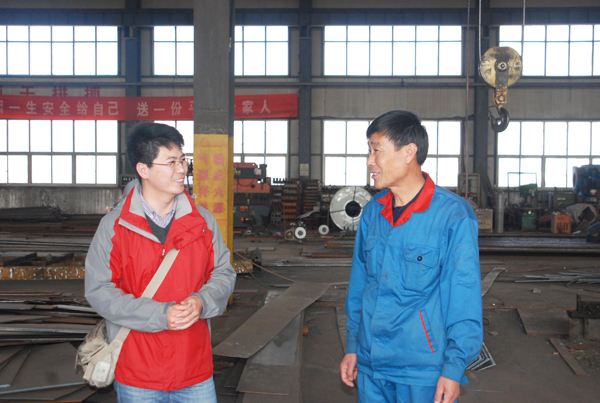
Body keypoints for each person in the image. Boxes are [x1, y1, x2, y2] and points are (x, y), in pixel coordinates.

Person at [85, 122, 236, 402]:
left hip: (194, 370)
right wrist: (160, 315)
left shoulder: (203, 222)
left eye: (183, 160)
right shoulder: (115, 227)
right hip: (137, 372)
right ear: (144, 170)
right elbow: (99, 290)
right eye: (171, 162)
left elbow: (223, 273)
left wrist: (202, 301)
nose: (181, 170)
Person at [340, 111, 483, 403]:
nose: (369, 161)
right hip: (371, 365)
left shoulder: (452, 215)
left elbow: (463, 298)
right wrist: (353, 345)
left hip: (422, 372)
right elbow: (360, 285)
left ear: (408, 152)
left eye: (376, 150)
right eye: (369, 151)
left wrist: (454, 367)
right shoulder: (373, 212)